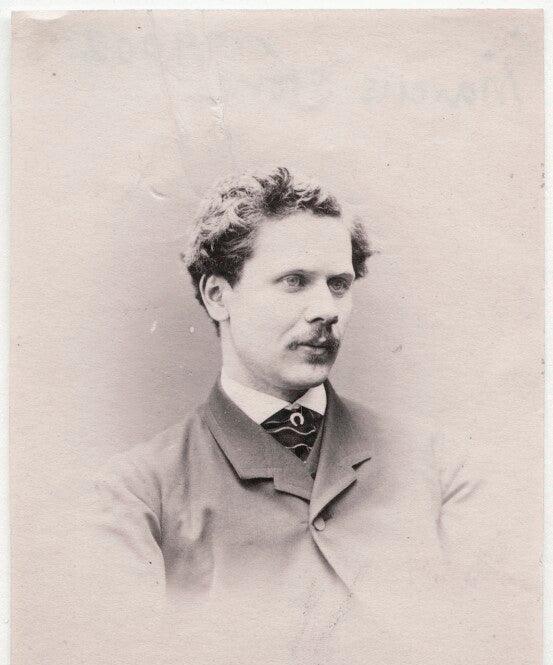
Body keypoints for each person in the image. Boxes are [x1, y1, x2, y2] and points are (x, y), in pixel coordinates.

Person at [80, 166, 479, 613]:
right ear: (218, 295)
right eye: (294, 281)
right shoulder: (137, 494)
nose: (326, 310)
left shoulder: (436, 466)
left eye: (339, 285)